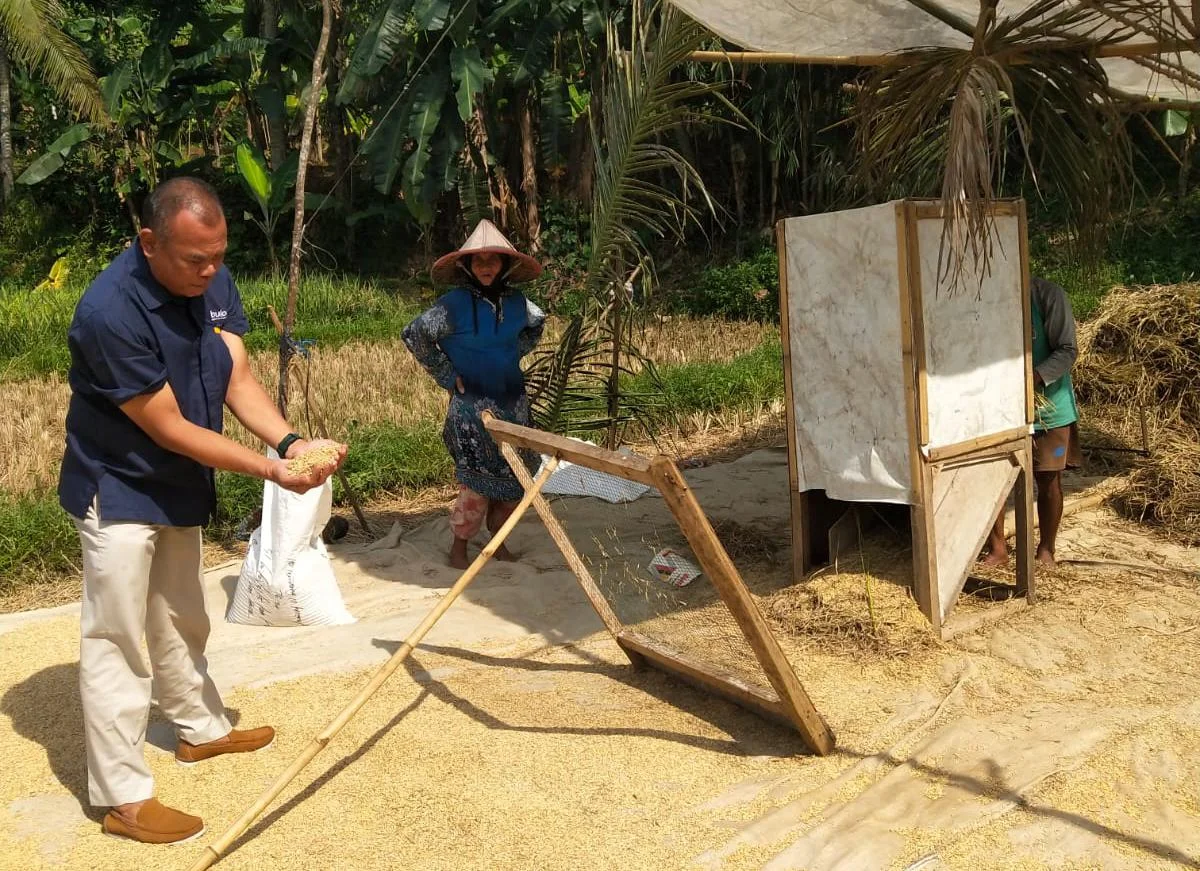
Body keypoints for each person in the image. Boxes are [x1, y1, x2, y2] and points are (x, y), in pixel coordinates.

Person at [57, 177, 347, 844]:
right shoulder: (108, 311)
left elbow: (236, 376)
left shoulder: (209, 276)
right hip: (120, 483)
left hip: (179, 482)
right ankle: (123, 796)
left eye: (218, 255)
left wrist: (290, 440)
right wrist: (272, 470)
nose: (211, 271)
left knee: (182, 609)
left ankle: (200, 727)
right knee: (117, 634)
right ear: (150, 242)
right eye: (195, 260)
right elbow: (166, 425)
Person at [402, 219, 545, 570]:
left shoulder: (519, 304)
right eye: (477, 260)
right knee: (476, 480)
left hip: (514, 404)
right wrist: (447, 374)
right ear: (466, 265)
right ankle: (459, 548)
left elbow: (537, 324)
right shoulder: (454, 304)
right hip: (471, 411)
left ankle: (498, 540)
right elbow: (414, 334)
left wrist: (512, 353)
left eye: (492, 259)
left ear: (505, 265)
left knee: (516, 476)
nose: (485, 266)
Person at [982, 275, 1081, 567]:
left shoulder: (1047, 295)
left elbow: (1067, 349)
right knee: (994, 481)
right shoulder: (984, 296)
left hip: (1048, 405)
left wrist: (1033, 378)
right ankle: (997, 548)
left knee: (1048, 480)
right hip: (999, 406)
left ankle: (1046, 549)